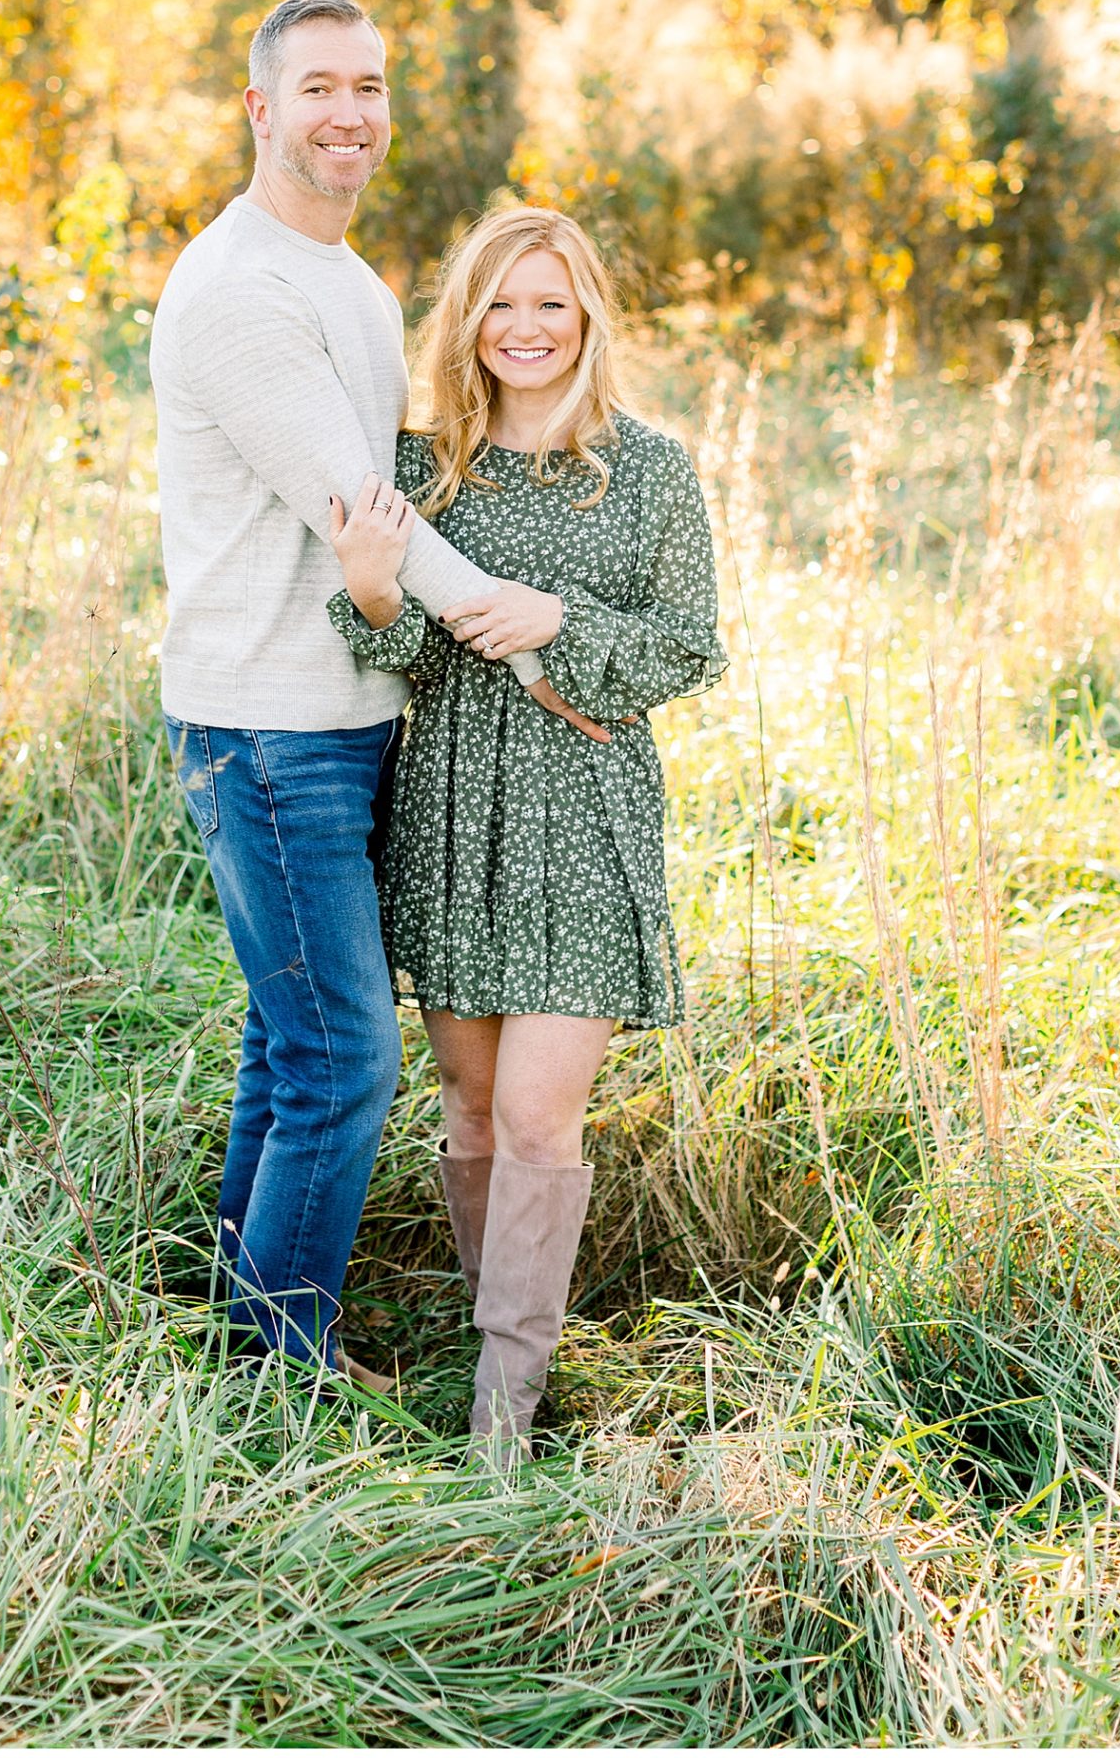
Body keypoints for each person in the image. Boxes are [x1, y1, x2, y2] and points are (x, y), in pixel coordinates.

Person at [150, 0, 607, 1384]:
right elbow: (369, 513)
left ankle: (234, 1325)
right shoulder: (237, 290)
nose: (349, 113)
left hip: (348, 718)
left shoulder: (352, 284)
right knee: (345, 1061)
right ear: (260, 111)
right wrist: (540, 640)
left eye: (370, 86)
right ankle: (277, 1374)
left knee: (285, 1046)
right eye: (319, 89)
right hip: (268, 725)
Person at [325, 204, 726, 1448]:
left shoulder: (649, 468)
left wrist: (557, 621)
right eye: (500, 302)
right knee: (474, 1102)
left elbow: (691, 646)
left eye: (550, 301)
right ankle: (488, 1334)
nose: (525, 328)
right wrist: (377, 589)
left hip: (586, 813)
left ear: (591, 313)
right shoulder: (421, 462)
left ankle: (508, 1412)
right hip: (452, 799)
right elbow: (389, 649)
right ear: (467, 318)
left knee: (547, 1114)